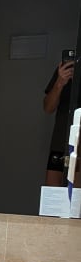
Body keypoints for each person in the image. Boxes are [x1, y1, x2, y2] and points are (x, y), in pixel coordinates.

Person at [43, 58, 74, 186]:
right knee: (53, 193)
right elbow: (48, 108)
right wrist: (59, 83)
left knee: (77, 195)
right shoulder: (67, 68)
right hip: (60, 144)